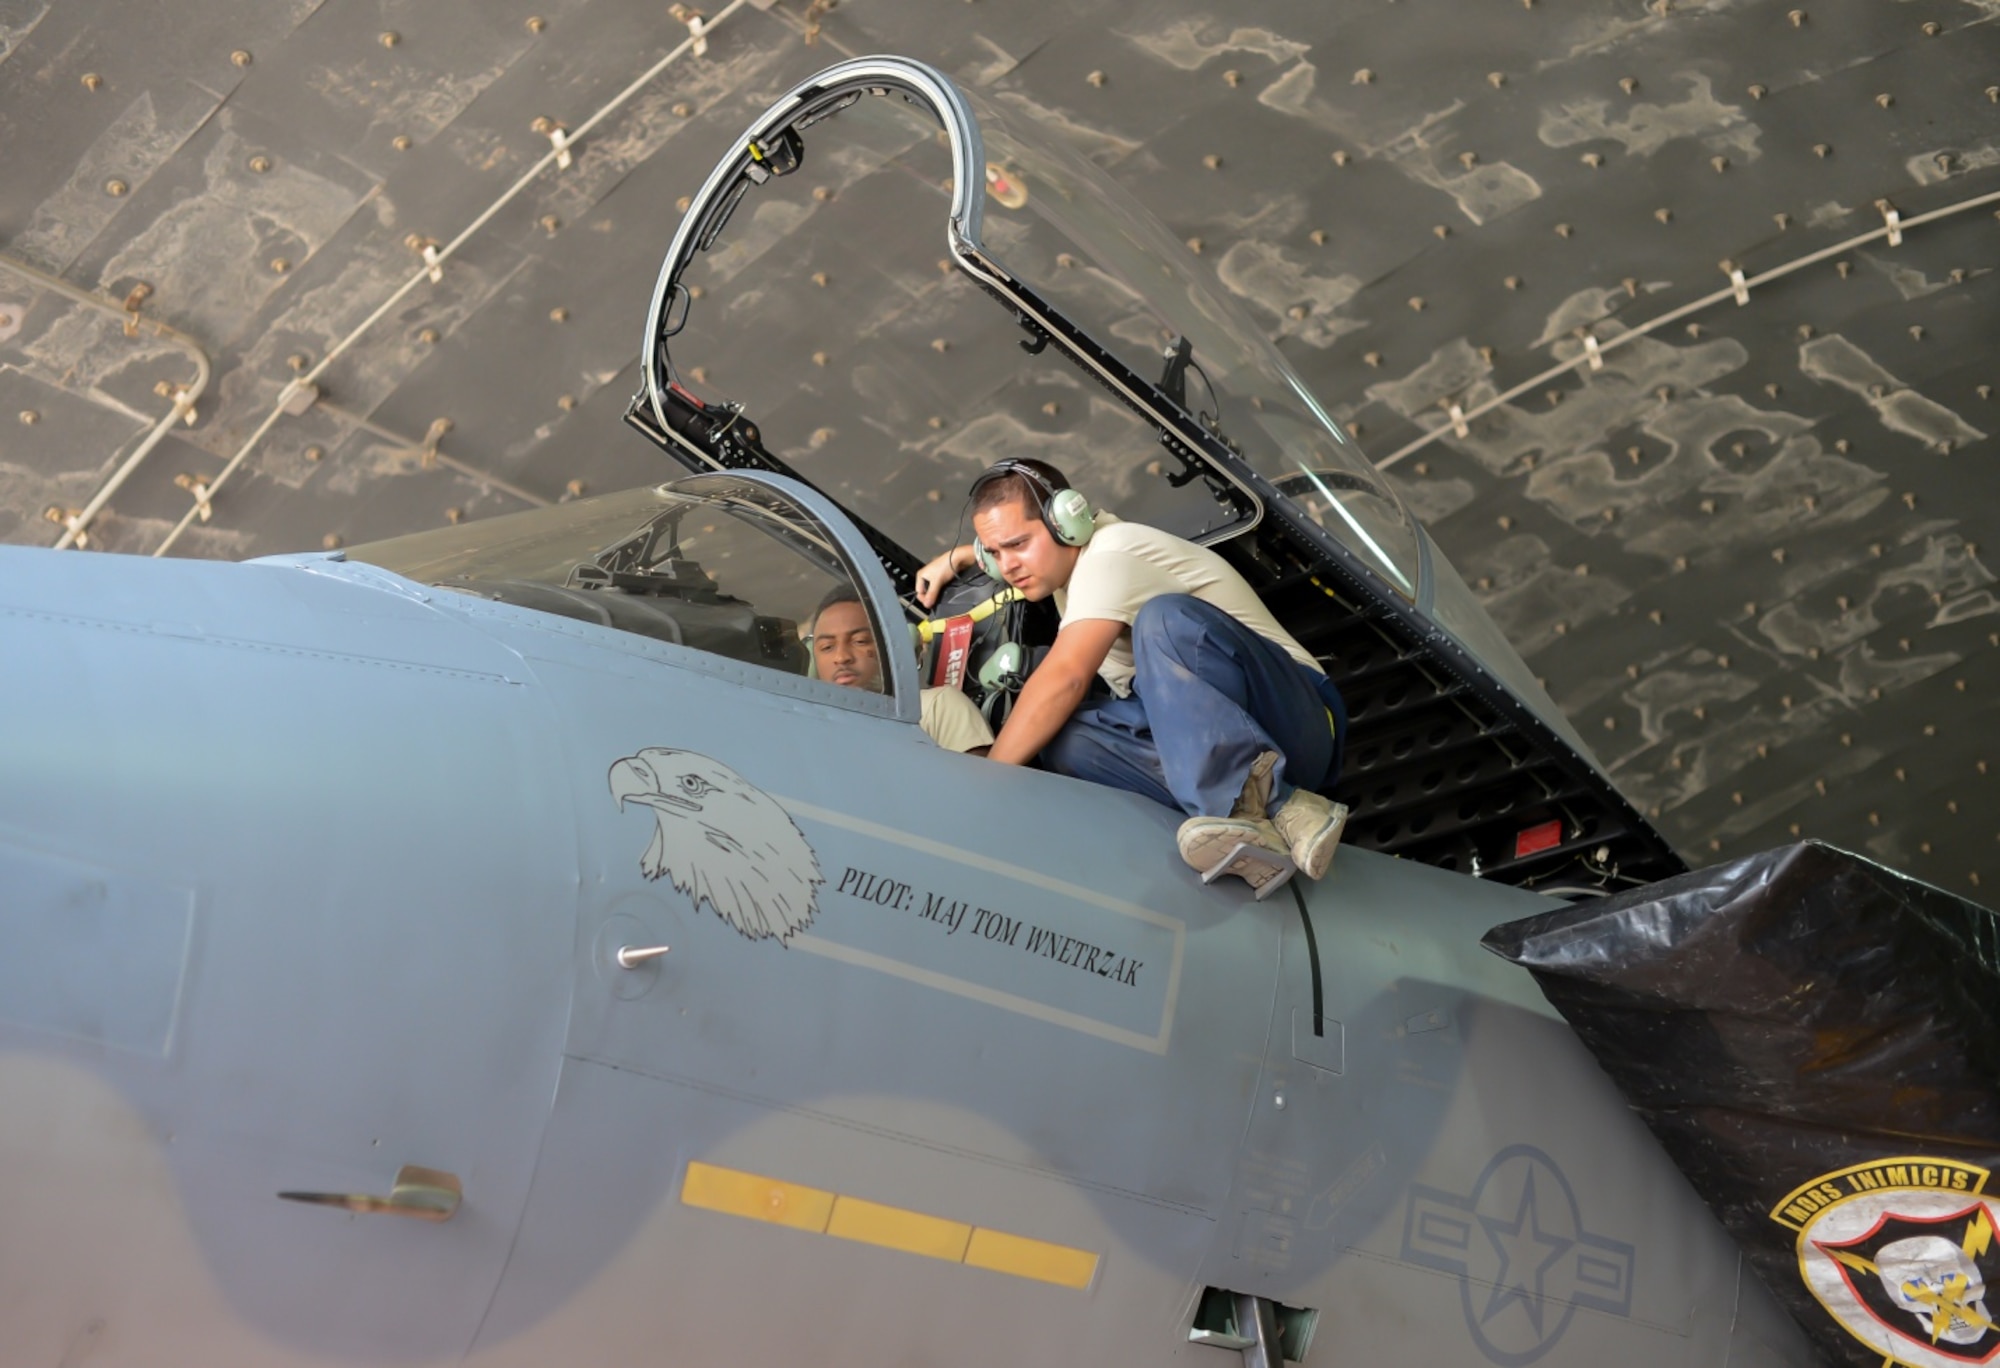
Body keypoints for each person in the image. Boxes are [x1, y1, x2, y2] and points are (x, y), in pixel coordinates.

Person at [914, 459, 1347, 895]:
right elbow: (1016, 556)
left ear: (1067, 523)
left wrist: (985, 787)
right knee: (1068, 740)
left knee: (1165, 620)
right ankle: (1258, 814)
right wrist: (965, 556)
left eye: (1018, 545)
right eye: (995, 553)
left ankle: (1271, 803)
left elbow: (1066, 676)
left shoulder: (1112, 554)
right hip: (1220, 741)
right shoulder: (1069, 574)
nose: (1007, 566)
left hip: (1300, 722)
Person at [808, 585, 994, 755]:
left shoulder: (935, 707)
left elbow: (982, 786)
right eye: (826, 647)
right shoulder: (806, 726)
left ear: (892, 646)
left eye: (860, 641)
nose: (841, 658)